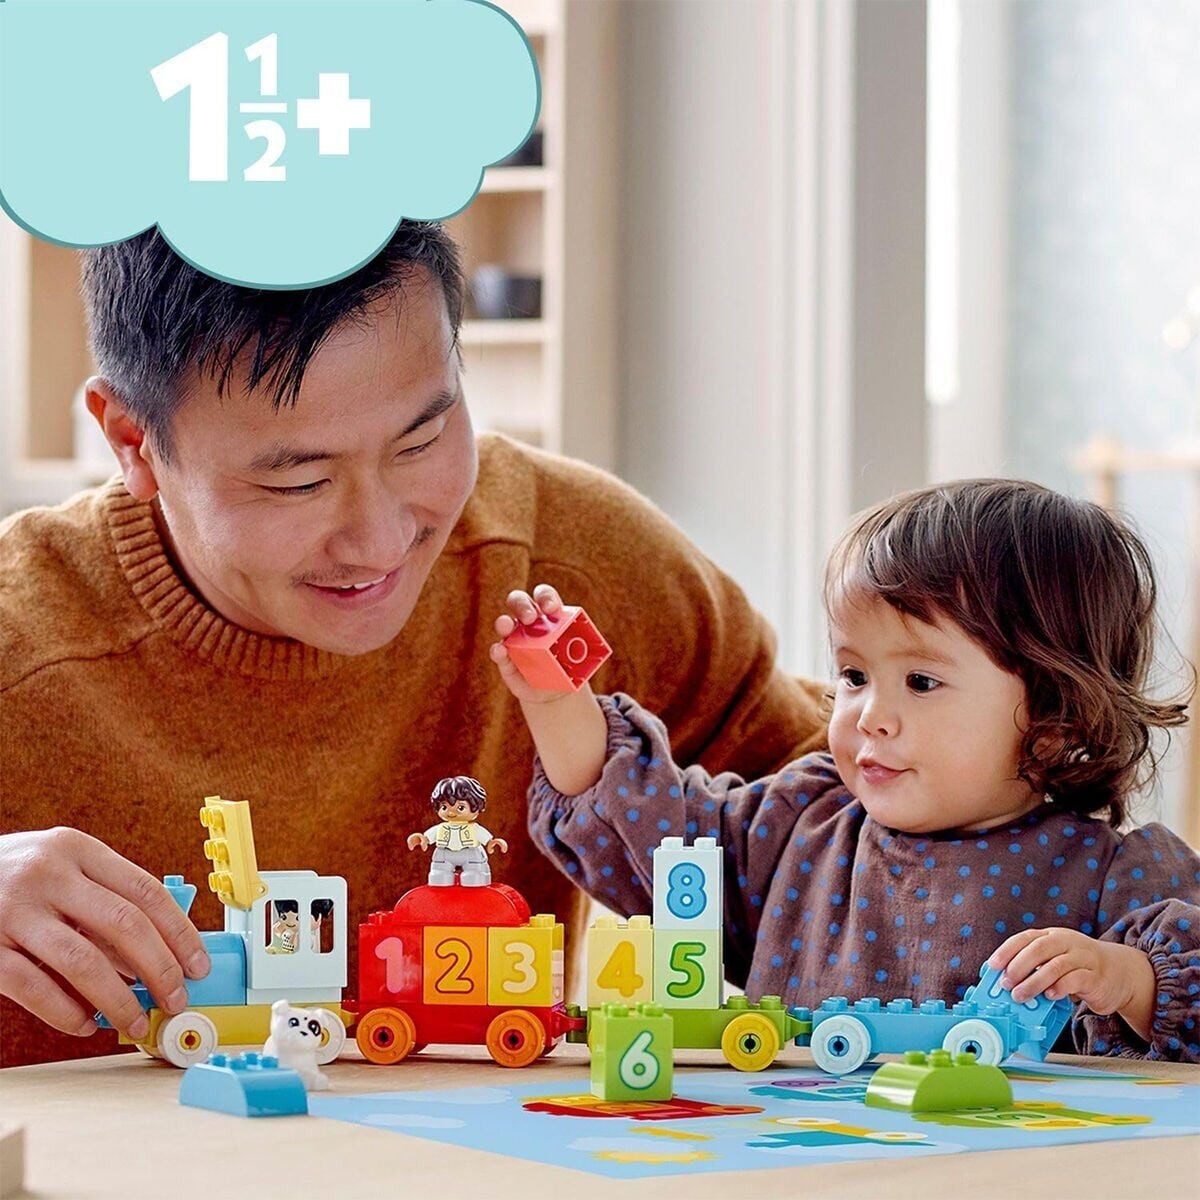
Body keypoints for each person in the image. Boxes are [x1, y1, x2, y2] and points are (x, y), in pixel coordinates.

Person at [0, 224, 829, 1067]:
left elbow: (846, 811)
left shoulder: (572, 554)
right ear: (133, 440)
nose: (380, 540)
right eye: (299, 481)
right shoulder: (20, 640)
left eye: (422, 440)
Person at [491, 480, 1200, 1061]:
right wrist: (556, 701)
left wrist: (1125, 980)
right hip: (796, 1161)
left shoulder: (1114, 878)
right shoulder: (798, 828)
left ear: (1054, 721)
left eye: (920, 682)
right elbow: (645, 828)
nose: (870, 715)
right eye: (854, 675)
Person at [407, 775, 508, 886]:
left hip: (471, 854)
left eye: (460, 807)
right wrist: (422, 839)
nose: (451, 812)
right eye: (444, 807)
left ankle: (475, 874)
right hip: (444, 855)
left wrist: (491, 843)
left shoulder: (474, 829)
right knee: (439, 876)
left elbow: (487, 839)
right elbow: (427, 837)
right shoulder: (441, 828)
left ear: (476, 806)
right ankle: (441, 874)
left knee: (474, 877)